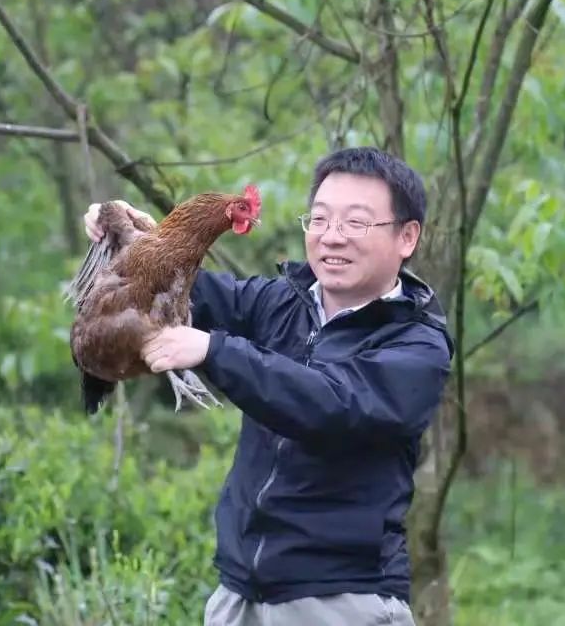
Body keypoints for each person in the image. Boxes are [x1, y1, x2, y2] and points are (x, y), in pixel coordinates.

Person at [83, 147, 453, 626]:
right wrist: (130, 237)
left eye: (356, 223)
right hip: (240, 597)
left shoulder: (416, 345)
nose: (331, 237)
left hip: (342, 602)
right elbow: (184, 290)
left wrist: (214, 350)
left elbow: (333, 404)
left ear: (407, 237)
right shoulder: (281, 302)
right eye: (319, 219)